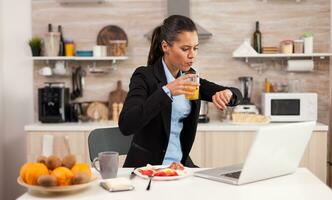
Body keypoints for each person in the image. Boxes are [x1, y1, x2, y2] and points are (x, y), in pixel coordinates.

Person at [119, 15, 242, 168]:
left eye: (195, 48)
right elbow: (126, 124)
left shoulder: (190, 78)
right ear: (165, 47)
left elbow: (235, 92)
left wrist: (228, 94)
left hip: (179, 167)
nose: (192, 55)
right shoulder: (144, 76)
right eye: (185, 49)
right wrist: (167, 91)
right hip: (147, 169)